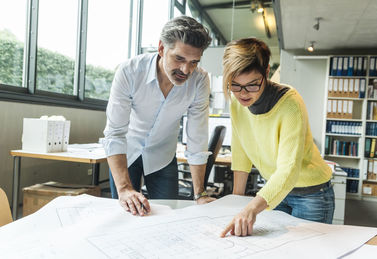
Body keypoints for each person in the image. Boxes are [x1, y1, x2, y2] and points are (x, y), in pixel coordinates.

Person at [220, 38, 334, 237]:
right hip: (275, 193)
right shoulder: (237, 103)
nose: (243, 94)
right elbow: (241, 152)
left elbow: (288, 169)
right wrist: (237, 200)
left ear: (266, 73)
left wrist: (251, 208)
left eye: (252, 85)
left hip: (311, 195)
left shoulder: (290, 103)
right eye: (235, 85)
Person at [103, 16, 215, 216]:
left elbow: (197, 138)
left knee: (167, 216)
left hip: (163, 155)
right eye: (179, 59)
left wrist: (200, 194)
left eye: (193, 62)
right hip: (126, 152)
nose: (186, 70)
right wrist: (124, 189)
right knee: (125, 214)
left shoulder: (199, 80)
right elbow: (115, 133)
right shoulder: (130, 72)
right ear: (162, 48)